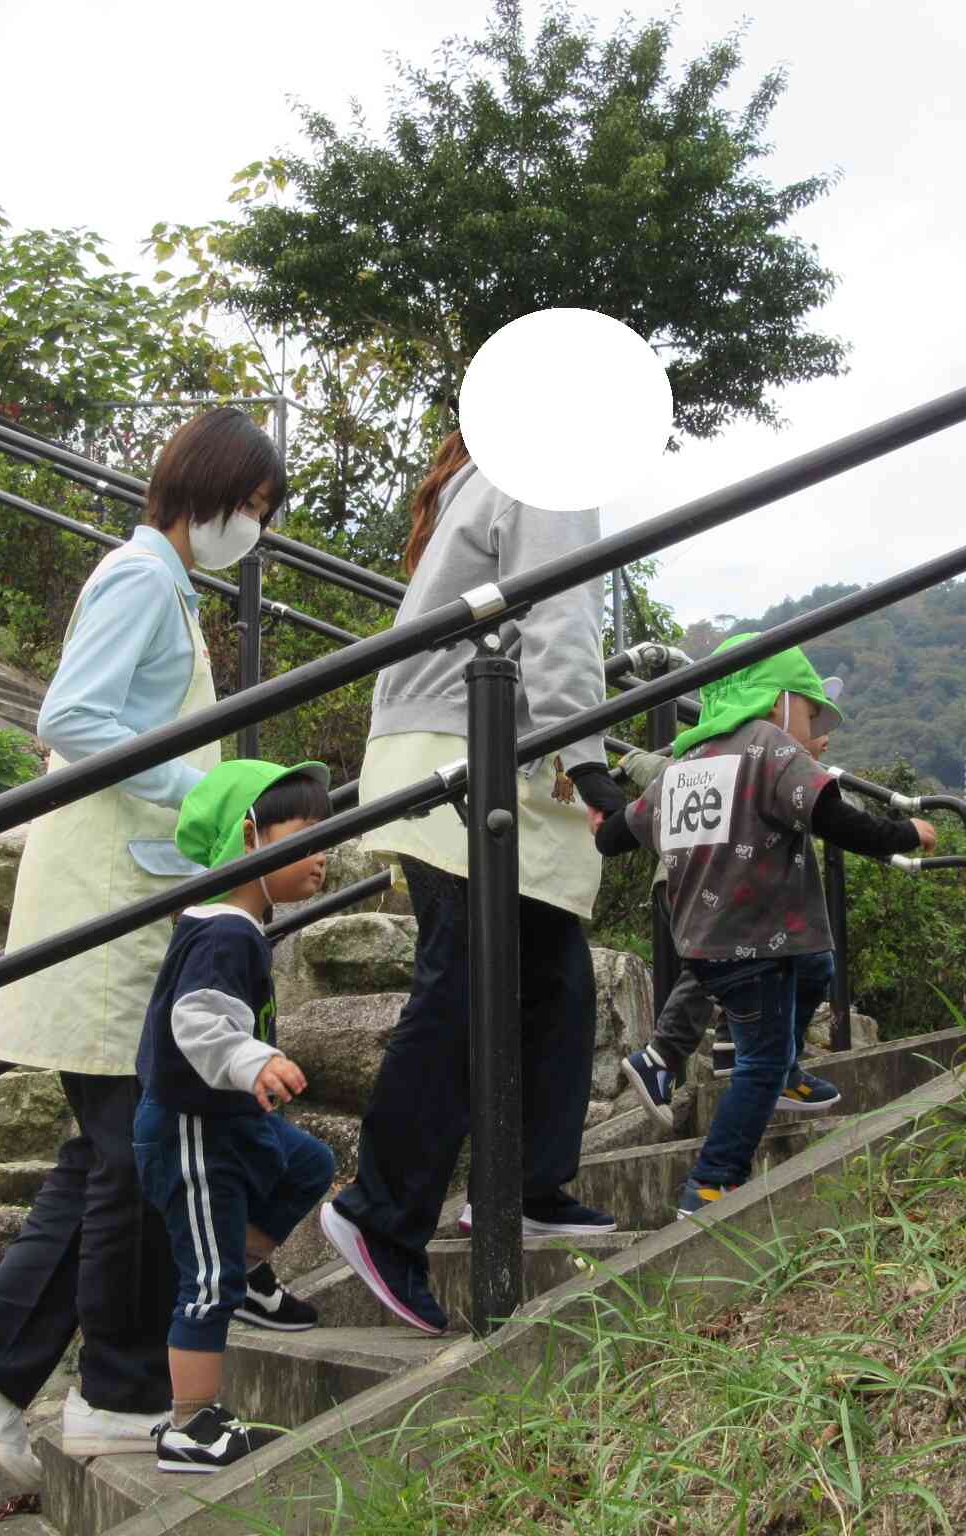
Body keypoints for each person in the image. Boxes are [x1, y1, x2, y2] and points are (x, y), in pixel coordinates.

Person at [0, 409, 300, 1488]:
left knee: (107, 1153)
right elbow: (72, 719)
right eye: (256, 510)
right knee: (136, 1151)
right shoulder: (140, 580)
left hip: (120, 896)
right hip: (105, 903)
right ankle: (115, 1393)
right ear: (216, 493)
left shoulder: (164, 587)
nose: (255, 533)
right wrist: (209, 791)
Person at [318, 429, 627, 1336]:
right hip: (468, 746)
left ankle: (526, 1181)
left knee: (551, 977)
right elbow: (559, 619)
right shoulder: (546, 470)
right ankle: (378, 1214)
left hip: (451, 746)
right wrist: (592, 760)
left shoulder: (483, 476)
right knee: (465, 985)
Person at [591, 635, 936, 1218]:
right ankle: (710, 1185)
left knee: (818, 965)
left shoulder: (688, 762)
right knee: (758, 1063)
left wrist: (600, 816)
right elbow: (835, 819)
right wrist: (906, 835)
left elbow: (618, 835)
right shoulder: (769, 747)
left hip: (709, 945)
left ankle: (788, 1072)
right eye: (806, 708)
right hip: (757, 943)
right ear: (775, 700)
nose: (809, 723)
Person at [133, 758, 338, 1473]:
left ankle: (251, 1274)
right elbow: (198, 1023)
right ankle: (190, 1426)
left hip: (228, 1115)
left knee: (311, 1162)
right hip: (192, 1122)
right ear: (250, 837)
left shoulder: (238, 923)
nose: (323, 853)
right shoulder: (224, 932)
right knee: (205, 1278)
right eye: (307, 837)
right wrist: (255, 1062)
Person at [616, 673, 851, 1128]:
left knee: (749, 961)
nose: (820, 737)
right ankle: (662, 1056)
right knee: (718, 961)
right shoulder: (727, 749)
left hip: (721, 881)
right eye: (809, 719)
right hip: (702, 878)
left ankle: (731, 1047)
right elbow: (663, 776)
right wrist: (631, 760)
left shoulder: (767, 757)